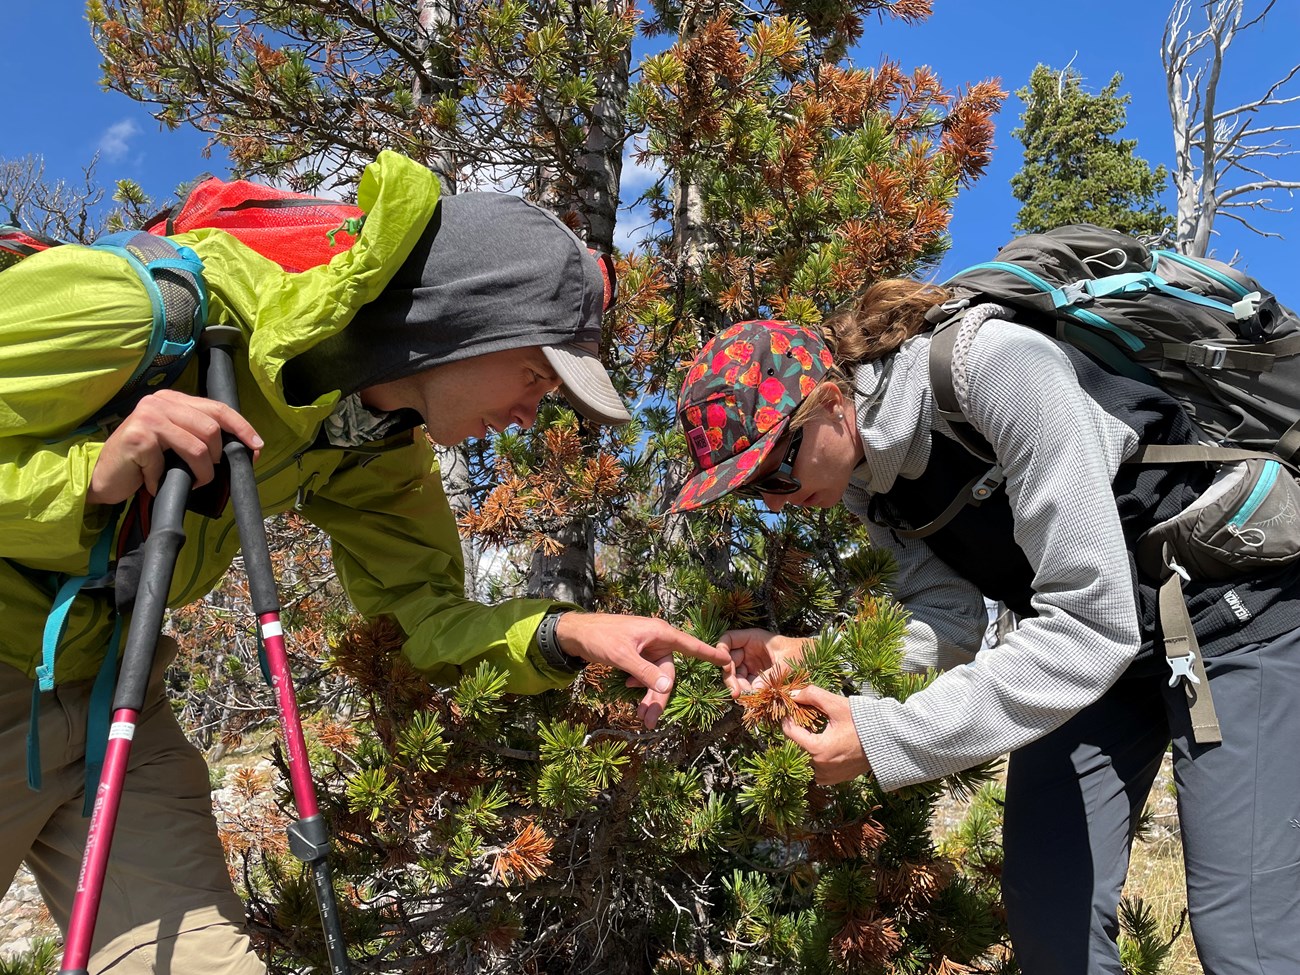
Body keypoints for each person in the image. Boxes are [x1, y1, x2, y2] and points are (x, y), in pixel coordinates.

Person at [0, 150, 728, 974]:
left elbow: (423, 619)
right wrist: (86, 483)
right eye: (533, 373)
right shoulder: (133, 309)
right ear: (460, 322)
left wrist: (566, 632)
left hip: (113, 704)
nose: (532, 410)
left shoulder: (372, 444)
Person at [667, 285, 1300, 975]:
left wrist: (887, 740)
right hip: (1102, 652)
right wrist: (814, 656)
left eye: (777, 466)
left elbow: (1092, 622)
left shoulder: (995, 368)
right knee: (1051, 929)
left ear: (830, 401)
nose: (775, 500)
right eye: (752, 488)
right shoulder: (869, 480)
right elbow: (950, 621)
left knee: (1247, 938)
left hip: (1233, 614)